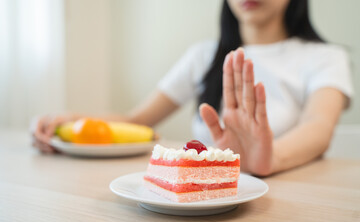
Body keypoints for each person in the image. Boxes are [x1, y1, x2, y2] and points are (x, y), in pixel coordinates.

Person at [32, 0, 353, 176]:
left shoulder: (325, 57)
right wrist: (73, 121)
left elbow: (318, 126)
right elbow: (137, 121)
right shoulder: (203, 55)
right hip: (196, 201)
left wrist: (270, 158)